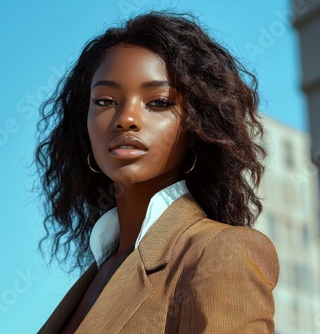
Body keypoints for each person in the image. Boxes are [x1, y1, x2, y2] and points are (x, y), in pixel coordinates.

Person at [35, 11, 279, 333]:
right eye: (106, 100)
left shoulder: (218, 253)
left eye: (159, 102)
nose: (126, 119)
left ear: (196, 126)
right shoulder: (98, 272)